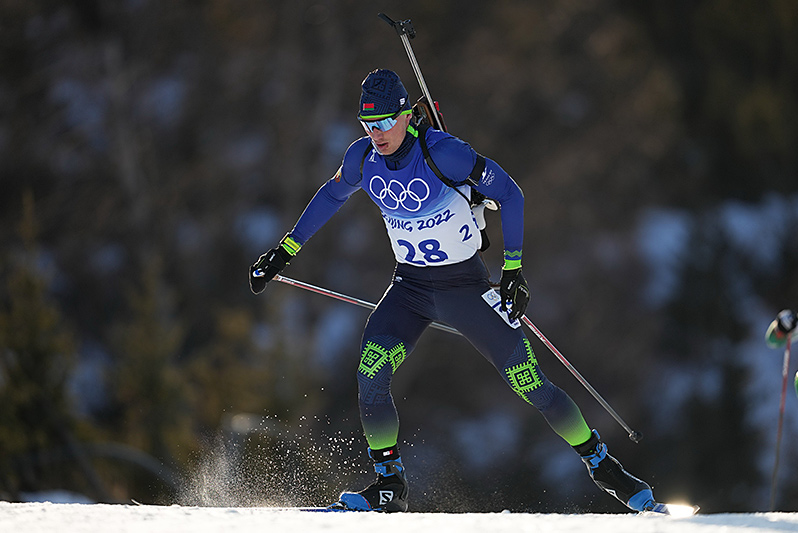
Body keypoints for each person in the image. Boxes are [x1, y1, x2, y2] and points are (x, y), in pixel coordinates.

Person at [250, 69, 658, 512]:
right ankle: (390, 485)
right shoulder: (361, 159)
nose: (378, 133)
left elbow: (511, 195)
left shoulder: (446, 154)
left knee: (531, 384)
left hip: (464, 289)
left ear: (407, 115)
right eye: (368, 125)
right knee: (370, 376)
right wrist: (285, 249)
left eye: (386, 122)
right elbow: (331, 196)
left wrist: (514, 271)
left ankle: (605, 468)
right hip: (408, 290)